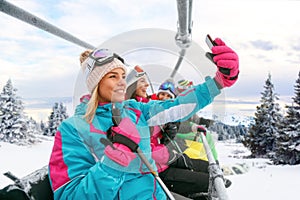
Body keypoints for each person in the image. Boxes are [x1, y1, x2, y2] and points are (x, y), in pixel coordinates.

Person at [48, 36, 239, 199]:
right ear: (96, 84)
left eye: (123, 75)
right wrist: (113, 164)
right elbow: (69, 195)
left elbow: (175, 107)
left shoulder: (133, 110)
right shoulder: (73, 129)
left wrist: (217, 83)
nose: (122, 82)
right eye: (113, 76)